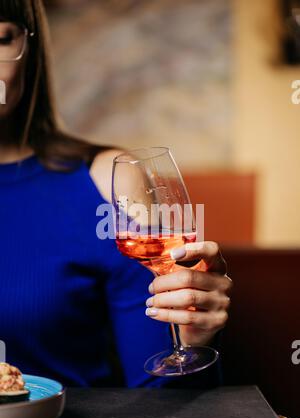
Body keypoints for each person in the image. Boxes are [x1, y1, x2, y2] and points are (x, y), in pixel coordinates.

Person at [0, 0, 232, 388]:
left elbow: (161, 400)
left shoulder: (108, 179)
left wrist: (192, 340)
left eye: (0, 38)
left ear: (31, 52)